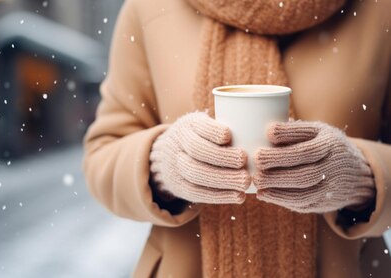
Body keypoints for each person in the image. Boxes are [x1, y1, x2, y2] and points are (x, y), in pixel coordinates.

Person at [82, 0, 391, 277]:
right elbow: (101, 156)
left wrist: (360, 177)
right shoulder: (148, 8)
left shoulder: (379, 11)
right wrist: (160, 164)